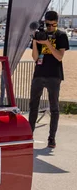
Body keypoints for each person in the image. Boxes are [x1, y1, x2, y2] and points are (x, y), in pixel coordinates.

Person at [28, 10, 69, 149]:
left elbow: (59, 56)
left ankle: (51, 138)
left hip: (54, 75)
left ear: (56, 23)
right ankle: (29, 135)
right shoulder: (40, 33)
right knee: (33, 106)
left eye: (52, 25)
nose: (50, 27)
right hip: (39, 73)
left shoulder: (61, 35)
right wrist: (35, 41)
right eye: (48, 25)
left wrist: (47, 42)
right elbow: (35, 57)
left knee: (54, 108)